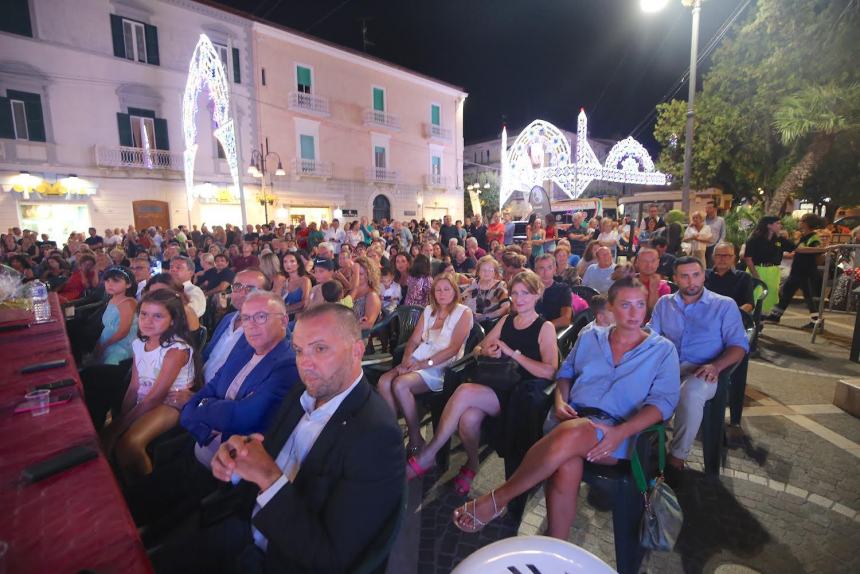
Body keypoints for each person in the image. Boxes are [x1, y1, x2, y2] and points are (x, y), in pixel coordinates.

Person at [157, 304, 404, 573]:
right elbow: (268, 452)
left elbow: (333, 559)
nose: (305, 363)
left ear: (357, 350)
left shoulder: (376, 436)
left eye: (320, 349)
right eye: (299, 350)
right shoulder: (301, 393)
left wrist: (268, 478)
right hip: (241, 527)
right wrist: (238, 461)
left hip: (280, 560)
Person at [453, 277, 679, 535]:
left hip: (619, 436)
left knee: (574, 431)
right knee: (566, 465)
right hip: (571, 421)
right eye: (625, 305)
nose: (634, 312)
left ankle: (497, 499)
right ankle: (555, 543)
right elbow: (565, 373)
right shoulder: (591, 336)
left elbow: (663, 403)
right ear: (611, 308)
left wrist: (622, 431)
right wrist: (560, 401)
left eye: (640, 304)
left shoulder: (662, 350)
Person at [404, 271, 557, 496]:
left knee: (464, 390)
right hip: (493, 384)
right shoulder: (507, 320)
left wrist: (513, 354)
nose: (520, 298)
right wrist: (490, 350)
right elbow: (478, 348)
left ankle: (429, 454)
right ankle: (472, 465)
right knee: (468, 419)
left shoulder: (545, 328)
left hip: (519, 395)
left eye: (525, 293)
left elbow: (550, 370)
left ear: (537, 295)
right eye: (515, 293)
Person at [649, 257, 748, 471]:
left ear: (704, 275)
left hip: (706, 370)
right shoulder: (664, 303)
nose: (691, 281)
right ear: (675, 278)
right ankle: (640, 443)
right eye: (684, 276)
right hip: (668, 369)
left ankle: (677, 459)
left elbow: (739, 346)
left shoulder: (723, 305)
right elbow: (651, 336)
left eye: (696, 275)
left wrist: (717, 366)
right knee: (635, 383)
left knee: (690, 393)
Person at [182, 291, 300, 468]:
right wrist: (205, 431)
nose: (251, 325)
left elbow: (243, 417)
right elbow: (210, 389)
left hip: (234, 463)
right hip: (203, 441)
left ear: (283, 321)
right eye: (246, 318)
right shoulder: (243, 349)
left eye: (261, 317)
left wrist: (201, 407)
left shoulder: (288, 365)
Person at [102, 289, 200, 481]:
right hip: (145, 400)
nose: (147, 321)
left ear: (172, 320)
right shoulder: (139, 344)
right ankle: (124, 483)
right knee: (113, 438)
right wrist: (121, 418)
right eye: (144, 314)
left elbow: (157, 396)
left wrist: (120, 425)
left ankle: (145, 490)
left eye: (158, 316)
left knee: (130, 443)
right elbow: (133, 387)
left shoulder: (176, 350)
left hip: (170, 403)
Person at [377, 274, 473, 456]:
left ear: (454, 291)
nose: (442, 293)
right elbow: (413, 340)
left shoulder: (463, 312)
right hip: (418, 358)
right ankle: (395, 435)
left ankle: (415, 438)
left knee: (400, 384)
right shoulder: (429, 310)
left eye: (447, 289)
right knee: (383, 382)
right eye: (438, 290)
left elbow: (453, 349)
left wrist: (423, 364)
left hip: (441, 366)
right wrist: (407, 359)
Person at [201, 269, 269, 384]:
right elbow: (209, 354)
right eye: (237, 286)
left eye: (251, 289)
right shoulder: (228, 319)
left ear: (266, 295)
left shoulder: (268, 329)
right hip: (199, 382)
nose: (242, 294)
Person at [764, 213, 827, 329]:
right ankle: (776, 315)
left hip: (806, 272)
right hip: (798, 271)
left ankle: (816, 321)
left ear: (807, 223)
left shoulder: (813, 238)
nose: (800, 222)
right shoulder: (804, 237)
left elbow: (817, 252)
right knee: (787, 292)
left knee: (807, 296)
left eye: (802, 220)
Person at [743, 215, 788, 314]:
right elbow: (748, 258)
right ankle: (750, 321)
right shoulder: (754, 239)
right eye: (777, 223)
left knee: (769, 297)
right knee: (755, 296)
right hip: (758, 269)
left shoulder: (778, 239)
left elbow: (796, 248)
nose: (780, 226)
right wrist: (756, 276)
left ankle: (762, 320)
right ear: (769, 225)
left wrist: (824, 249)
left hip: (773, 271)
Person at [461, 255, 510, 329]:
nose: (487, 273)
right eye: (483, 270)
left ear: (495, 273)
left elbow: (505, 308)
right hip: (469, 321)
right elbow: (461, 300)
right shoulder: (474, 283)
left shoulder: (500, 286)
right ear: (478, 272)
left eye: (490, 270)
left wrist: (484, 317)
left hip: (489, 324)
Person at [706, 242, 754, 313]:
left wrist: (731, 315)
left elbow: (749, 305)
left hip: (732, 318)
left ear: (733, 258)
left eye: (727, 255)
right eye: (718, 255)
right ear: (713, 257)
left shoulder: (744, 277)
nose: (722, 259)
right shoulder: (703, 275)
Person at [534, 254, 572, 328]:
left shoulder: (563, 289)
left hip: (551, 330)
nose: (545, 272)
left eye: (549, 268)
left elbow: (566, 319)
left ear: (554, 270)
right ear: (535, 271)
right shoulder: (529, 289)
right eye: (541, 268)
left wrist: (543, 328)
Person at [635, 247, 671, 316]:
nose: (649, 265)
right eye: (644, 261)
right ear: (637, 262)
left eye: (653, 261)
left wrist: (653, 290)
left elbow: (655, 315)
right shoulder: (629, 282)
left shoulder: (664, 287)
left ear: (658, 263)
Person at [351, 256, 382, 333]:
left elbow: (368, 324)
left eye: (360, 274)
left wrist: (345, 328)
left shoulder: (372, 296)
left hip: (359, 335)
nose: (356, 276)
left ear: (369, 275)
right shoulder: (350, 290)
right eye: (353, 273)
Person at [281, 252, 312, 324]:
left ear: (298, 264)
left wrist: (285, 309)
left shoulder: (304, 280)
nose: (288, 264)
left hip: (299, 319)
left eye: (292, 261)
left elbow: (305, 303)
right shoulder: (284, 282)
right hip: (285, 317)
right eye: (285, 262)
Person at [704, 201, 726, 267]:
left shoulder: (721, 220)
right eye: (706, 208)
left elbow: (723, 234)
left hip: (714, 246)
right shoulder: (703, 220)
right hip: (702, 246)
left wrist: (718, 245)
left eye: (709, 208)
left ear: (715, 209)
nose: (707, 209)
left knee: (711, 266)